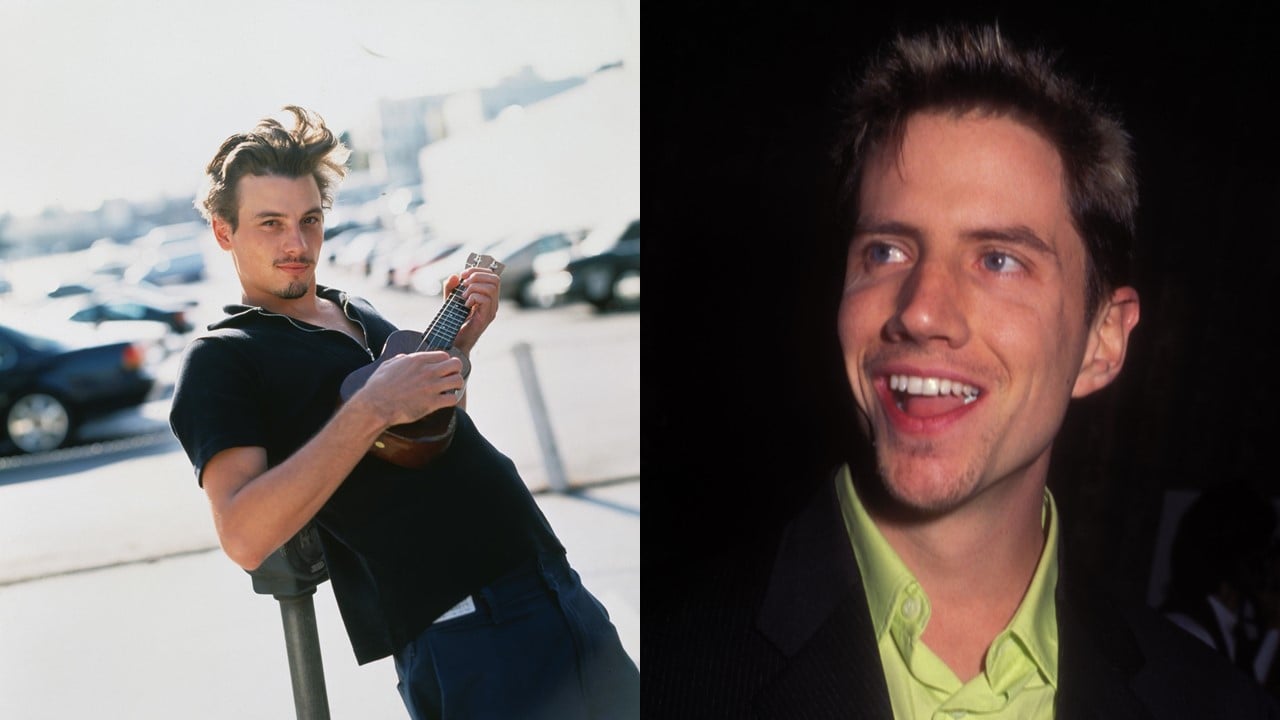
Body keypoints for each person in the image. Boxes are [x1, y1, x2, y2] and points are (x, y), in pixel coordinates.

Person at [644, 22, 1280, 719]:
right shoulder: (657, 669)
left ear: (1102, 342)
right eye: (887, 251)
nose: (921, 312)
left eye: (999, 259)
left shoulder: (1218, 706)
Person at [168, 105, 639, 720]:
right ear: (223, 232)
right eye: (270, 224)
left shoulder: (358, 310)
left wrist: (461, 346)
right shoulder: (223, 357)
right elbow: (244, 534)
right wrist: (370, 409)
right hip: (469, 633)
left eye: (310, 220)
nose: (296, 243)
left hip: (554, 587)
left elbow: (433, 427)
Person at [1162, 481, 1280, 689]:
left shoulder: (1232, 628)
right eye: (1262, 549)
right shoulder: (1190, 632)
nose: (1267, 562)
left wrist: (1273, 627)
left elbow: (1245, 695)